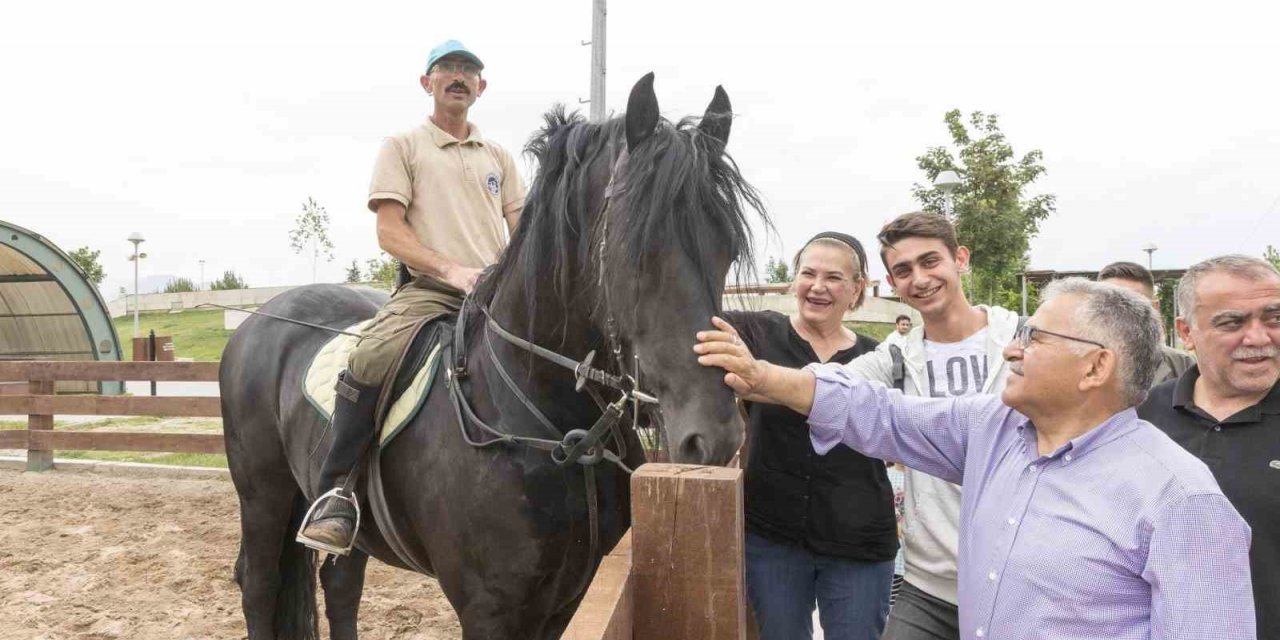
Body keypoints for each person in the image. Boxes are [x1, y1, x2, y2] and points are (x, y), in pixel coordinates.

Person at [697, 277, 1257, 639]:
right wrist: (764, 376)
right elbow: (884, 414)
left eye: (1035, 338)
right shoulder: (994, 428)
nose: (1012, 348)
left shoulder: (1180, 497)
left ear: (1095, 368)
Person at [298, 40, 526, 553]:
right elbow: (390, 233)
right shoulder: (404, 146)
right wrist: (452, 269)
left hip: (495, 297)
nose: (459, 77)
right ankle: (336, 492)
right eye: (447, 69)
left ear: (482, 88)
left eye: (469, 71)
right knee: (371, 356)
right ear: (428, 83)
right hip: (431, 291)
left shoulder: (499, 157)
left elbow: (523, 228)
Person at [781, 212, 1020, 640]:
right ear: (892, 284)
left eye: (931, 262)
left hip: (1022, 582)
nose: (920, 278)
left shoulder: (1024, 340)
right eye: (904, 270)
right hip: (931, 586)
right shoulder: (895, 357)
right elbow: (831, 388)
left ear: (960, 258)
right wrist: (758, 376)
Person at [724, 232, 892, 640]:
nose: (818, 287)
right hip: (773, 538)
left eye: (834, 277)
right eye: (808, 273)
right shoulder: (754, 333)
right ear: (792, 281)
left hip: (859, 543)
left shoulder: (879, 356)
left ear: (857, 290)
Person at [1137, 255, 1280, 639]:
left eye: (1274, 318)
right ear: (1186, 331)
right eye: (1232, 322)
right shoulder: (1141, 418)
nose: (1258, 337)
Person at [1097, 261, 1194, 385]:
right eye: (1109, 303)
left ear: (1154, 307)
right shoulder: (1075, 362)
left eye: (1132, 304)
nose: (1119, 312)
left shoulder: (1182, 365)